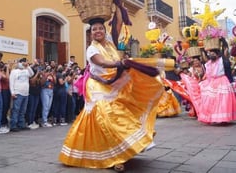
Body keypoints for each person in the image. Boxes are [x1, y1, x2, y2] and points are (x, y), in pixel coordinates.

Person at [59, 18, 164, 172]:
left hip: (113, 84)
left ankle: (122, 151)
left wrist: (118, 7)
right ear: (91, 33)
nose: (98, 31)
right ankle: (116, 156)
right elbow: (101, 62)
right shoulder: (91, 49)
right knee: (107, 114)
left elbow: (118, 25)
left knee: (116, 112)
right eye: (94, 29)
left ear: (104, 30)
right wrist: (119, 63)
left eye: (100, 28)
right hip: (97, 86)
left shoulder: (109, 45)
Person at [181, 49, 236, 124]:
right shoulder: (208, 63)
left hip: (222, 81)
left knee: (222, 100)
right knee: (211, 101)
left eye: (213, 53)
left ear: (218, 54)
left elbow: (225, 58)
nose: (211, 55)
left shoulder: (221, 61)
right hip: (211, 82)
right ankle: (213, 117)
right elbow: (208, 73)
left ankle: (224, 118)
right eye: (210, 53)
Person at [9, 58, 34, 132]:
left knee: (23, 110)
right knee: (16, 110)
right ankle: (13, 125)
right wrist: (12, 92)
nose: (23, 64)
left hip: (25, 93)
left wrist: (27, 66)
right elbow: (11, 82)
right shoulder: (14, 71)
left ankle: (21, 124)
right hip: (18, 93)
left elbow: (32, 74)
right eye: (22, 63)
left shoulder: (26, 71)